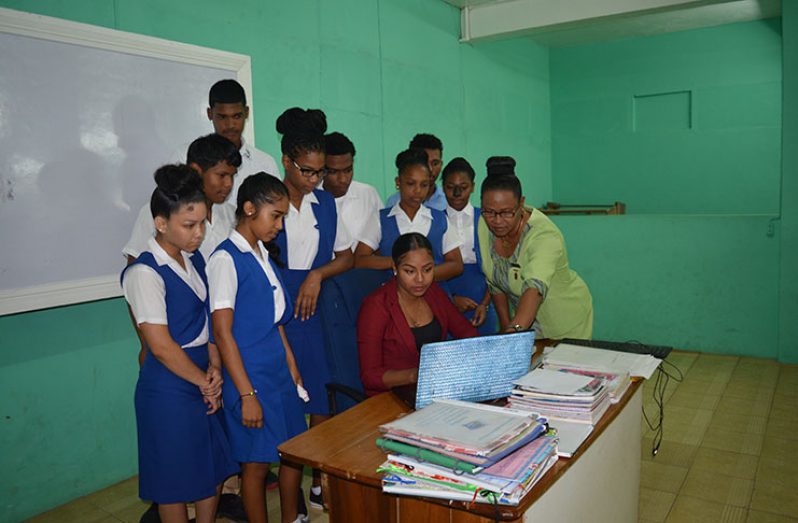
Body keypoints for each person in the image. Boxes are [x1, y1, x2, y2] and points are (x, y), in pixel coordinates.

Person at [121, 164, 238, 523]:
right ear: (160, 223)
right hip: (169, 387)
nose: (199, 233)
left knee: (212, 466)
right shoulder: (144, 272)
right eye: (189, 225)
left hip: (204, 376)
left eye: (203, 223)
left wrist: (215, 369)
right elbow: (160, 345)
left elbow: (207, 323)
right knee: (174, 480)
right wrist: (204, 381)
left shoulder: (194, 260)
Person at [208, 173, 308, 523]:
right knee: (255, 463)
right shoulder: (225, 259)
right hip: (250, 375)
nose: (280, 225)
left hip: (278, 373)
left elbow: (275, 322)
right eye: (275, 215)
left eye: (283, 217)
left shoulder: (264, 254)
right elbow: (222, 333)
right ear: (249, 208)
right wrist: (247, 393)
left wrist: (293, 367)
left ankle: (292, 518)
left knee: (294, 452)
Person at [273, 107, 354, 509]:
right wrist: (297, 282)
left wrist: (316, 275)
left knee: (322, 400)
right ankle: (292, 502)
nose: (315, 179)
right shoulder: (268, 200)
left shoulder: (324, 203)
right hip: (281, 313)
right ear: (286, 161)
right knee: (291, 405)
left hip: (315, 308)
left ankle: (319, 482)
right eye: (306, 171)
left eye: (319, 172)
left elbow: (346, 256)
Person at [478, 156, 593, 339]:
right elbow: (495, 283)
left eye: (507, 212)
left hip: (563, 324)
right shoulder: (484, 224)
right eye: (489, 212)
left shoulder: (544, 236)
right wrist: (506, 330)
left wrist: (513, 331)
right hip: (523, 324)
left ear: (521, 203)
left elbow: (535, 288)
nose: (497, 221)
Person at [357, 233, 478, 397]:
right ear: (395, 268)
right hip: (390, 398)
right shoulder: (377, 306)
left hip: (435, 391)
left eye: (427, 269)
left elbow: (467, 332)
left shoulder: (434, 293)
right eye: (410, 271)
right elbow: (369, 376)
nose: (420, 279)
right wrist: (416, 375)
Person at [125, 134, 242, 263]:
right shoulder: (160, 210)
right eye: (222, 175)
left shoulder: (231, 214)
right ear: (196, 170)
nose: (228, 184)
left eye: (232, 176)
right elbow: (135, 264)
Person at [354, 148, 463, 284]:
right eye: (411, 184)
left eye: (424, 185)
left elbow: (456, 264)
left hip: (433, 294)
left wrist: (423, 276)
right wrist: (398, 262)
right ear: (398, 182)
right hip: (393, 295)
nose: (417, 191)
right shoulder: (381, 219)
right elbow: (359, 259)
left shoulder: (440, 219)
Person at [171, 79, 280, 200]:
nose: (230, 125)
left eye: (237, 116)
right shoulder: (184, 156)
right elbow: (170, 205)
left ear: (247, 112)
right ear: (210, 113)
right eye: (222, 117)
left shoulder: (265, 164)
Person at [442, 157, 498, 335]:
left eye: (463, 187)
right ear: (442, 187)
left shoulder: (485, 218)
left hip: (485, 299)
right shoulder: (435, 220)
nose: (457, 194)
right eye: (451, 187)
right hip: (446, 299)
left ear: (473, 186)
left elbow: (496, 267)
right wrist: (450, 299)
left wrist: (484, 304)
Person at [321, 131, 383, 251]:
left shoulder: (368, 194)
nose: (343, 179)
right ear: (321, 168)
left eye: (348, 170)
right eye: (333, 172)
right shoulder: (310, 198)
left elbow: (383, 239)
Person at [385, 133, 447, 211]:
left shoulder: (449, 201)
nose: (430, 169)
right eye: (425, 163)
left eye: (435, 163)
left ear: (441, 164)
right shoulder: (394, 202)